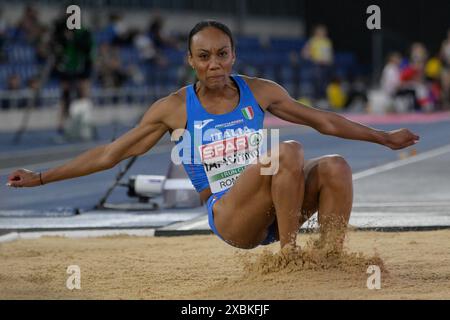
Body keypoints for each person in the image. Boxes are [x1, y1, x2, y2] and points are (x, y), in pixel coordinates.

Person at [6, 21, 419, 252]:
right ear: (191, 61)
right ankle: (289, 257)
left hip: (280, 203)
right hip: (230, 215)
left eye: (222, 54)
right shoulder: (174, 108)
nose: (215, 64)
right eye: (204, 57)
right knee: (287, 150)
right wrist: (41, 178)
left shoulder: (259, 90)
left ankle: (330, 257)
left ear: (233, 55)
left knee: (336, 167)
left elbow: (324, 121)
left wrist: (384, 139)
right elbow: (111, 155)